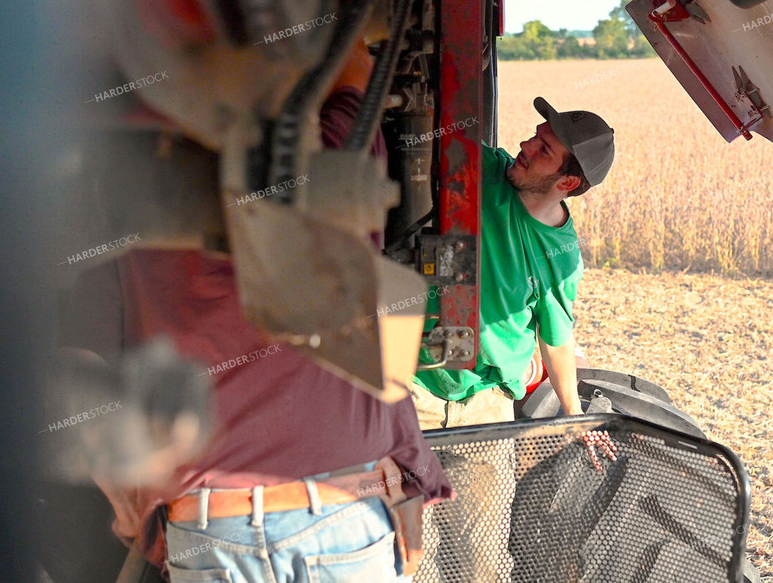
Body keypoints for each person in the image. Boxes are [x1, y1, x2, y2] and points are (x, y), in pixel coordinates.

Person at [60, 38, 453, 583]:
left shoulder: (124, 226)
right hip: (342, 508)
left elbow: (80, 374)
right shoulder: (332, 162)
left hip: (207, 528)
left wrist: (125, 496)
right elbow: (356, 69)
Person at [409, 97, 616, 429]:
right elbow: (425, 126)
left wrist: (575, 416)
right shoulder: (485, 169)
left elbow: (556, 339)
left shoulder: (560, 257)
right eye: (536, 136)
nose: (525, 145)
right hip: (416, 387)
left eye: (543, 149)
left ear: (567, 183)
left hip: (487, 402)